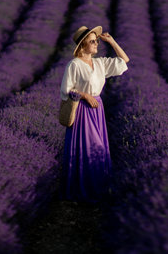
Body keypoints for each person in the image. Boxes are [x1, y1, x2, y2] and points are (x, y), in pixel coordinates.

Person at [59, 25, 130, 204]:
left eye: (96, 40)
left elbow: (124, 60)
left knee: (98, 150)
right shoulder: (74, 65)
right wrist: (84, 95)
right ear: (83, 45)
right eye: (92, 41)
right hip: (82, 110)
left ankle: (98, 190)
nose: (96, 43)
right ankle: (82, 191)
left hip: (97, 110)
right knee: (87, 149)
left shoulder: (99, 63)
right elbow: (65, 91)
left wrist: (112, 41)